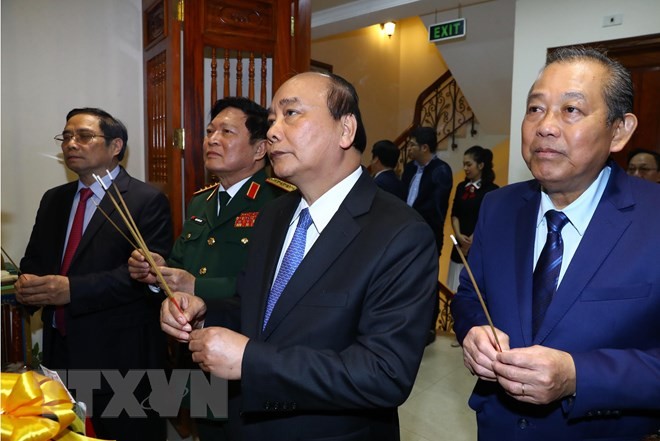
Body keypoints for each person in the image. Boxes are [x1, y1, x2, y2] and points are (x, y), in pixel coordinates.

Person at [160, 72, 439, 441]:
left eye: (291, 114)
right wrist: (202, 310)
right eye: (272, 120)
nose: (273, 131)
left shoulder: (401, 233)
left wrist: (250, 361)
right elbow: (255, 309)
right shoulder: (275, 214)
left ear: (346, 129)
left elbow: (384, 373)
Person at [451, 46, 660, 440]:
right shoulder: (499, 207)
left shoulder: (653, 218)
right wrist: (473, 331)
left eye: (571, 110)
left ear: (620, 131)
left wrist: (578, 376)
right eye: (535, 109)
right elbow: (468, 295)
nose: (545, 126)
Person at [128, 96, 289, 440]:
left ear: (260, 149)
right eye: (210, 130)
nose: (212, 139)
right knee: (207, 433)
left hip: (245, 354)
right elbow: (181, 268)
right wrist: (158, 274)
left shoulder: (280, 203)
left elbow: (275, 287)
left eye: (227, 132)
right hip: (197, 352)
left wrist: (196, 288)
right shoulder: (201, 201)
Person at [15, 107, 172, 441]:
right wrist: (28, 284)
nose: (72, 143)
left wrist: (72, 289)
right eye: (66, 136)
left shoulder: (146, 200)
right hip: (61, 355)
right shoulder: (54, 199)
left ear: (115, 146)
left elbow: (147, 279)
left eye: (83, 136)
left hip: (124, 359)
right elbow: (35, 260)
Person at [401, 126, 453, 344]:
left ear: (424, 147)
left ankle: (428, 328)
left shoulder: (441, 170)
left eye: (412, 144)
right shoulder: (409, 169)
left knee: (427, 281)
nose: (409, 148)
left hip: (428, 234)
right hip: (405, 233)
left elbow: (437, 208)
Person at [446, 145, 499, 292]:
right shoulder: (461, 187)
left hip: (479, 245)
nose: (465, 168)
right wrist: (458, 235)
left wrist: (472, 239)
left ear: (481, 165)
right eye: (464, 164)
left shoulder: (492, 190)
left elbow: (489, 220)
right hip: (459, 244)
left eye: (469, 164)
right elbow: (454, 213)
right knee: (454, 288)